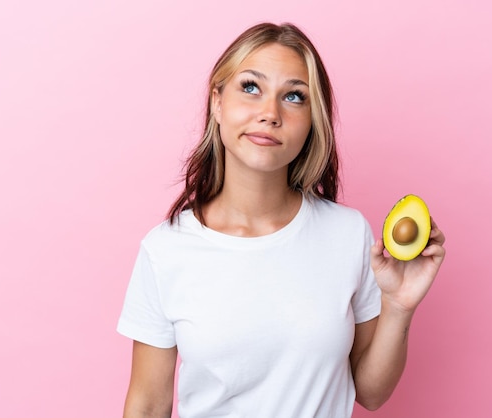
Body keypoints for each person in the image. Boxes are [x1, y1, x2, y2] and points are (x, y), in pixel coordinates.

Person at [117, 22, 446, 418]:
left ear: (312, 121)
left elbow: (371, 393)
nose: (269, 114)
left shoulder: (347, 233)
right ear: (217, 102)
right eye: (251, 88)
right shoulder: (165, 249)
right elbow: (149, 406)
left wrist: (398, 306)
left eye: (293, 96)